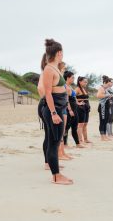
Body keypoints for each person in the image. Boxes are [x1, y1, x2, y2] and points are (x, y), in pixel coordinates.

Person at [42, 38, 73, 185]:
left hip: (60, 108)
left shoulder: (56, 68)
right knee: (54, 143)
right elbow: (48, 93)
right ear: (59, 53)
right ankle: (56, 176)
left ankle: (56, 173)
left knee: (55, 140)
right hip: (53, 110)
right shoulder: (49, 69)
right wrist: (54, 113)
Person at [63, 71, 80, 148]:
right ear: (68, 78)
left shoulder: (70, 86)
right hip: (69, 110)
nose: (74, 79)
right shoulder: (65, 86)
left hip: (75, 109)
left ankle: (78, 143)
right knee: (66, 127)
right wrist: (69, 110)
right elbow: (67, 100)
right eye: (72, 77)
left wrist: (78, 103)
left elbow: (74, 98)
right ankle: (65, 144)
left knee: (75, 126)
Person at [75, 76, 92, 147]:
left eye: (86, 82)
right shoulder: (77, 89)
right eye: (85, 81)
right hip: (80, 108)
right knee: (80, 125)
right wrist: (78, 103)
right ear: (80, 82)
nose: (86, 83)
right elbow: (72, 97)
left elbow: (86, 99)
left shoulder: (83, 89)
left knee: (85, 124)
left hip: (86, 108)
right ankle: (80, 140)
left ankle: (86, 139)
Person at [97, 75, 113, 141]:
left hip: (106, 106)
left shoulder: (105, 89)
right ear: (107, 82)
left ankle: (104, 135)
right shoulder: (101, 88)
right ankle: (102, 136)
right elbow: (98, 95)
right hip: (102, 107)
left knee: (105, 121)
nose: (111, 84)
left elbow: (105, 96)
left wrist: (109, 97)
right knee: (102, 121)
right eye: (110, 83)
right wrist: (108, 95)